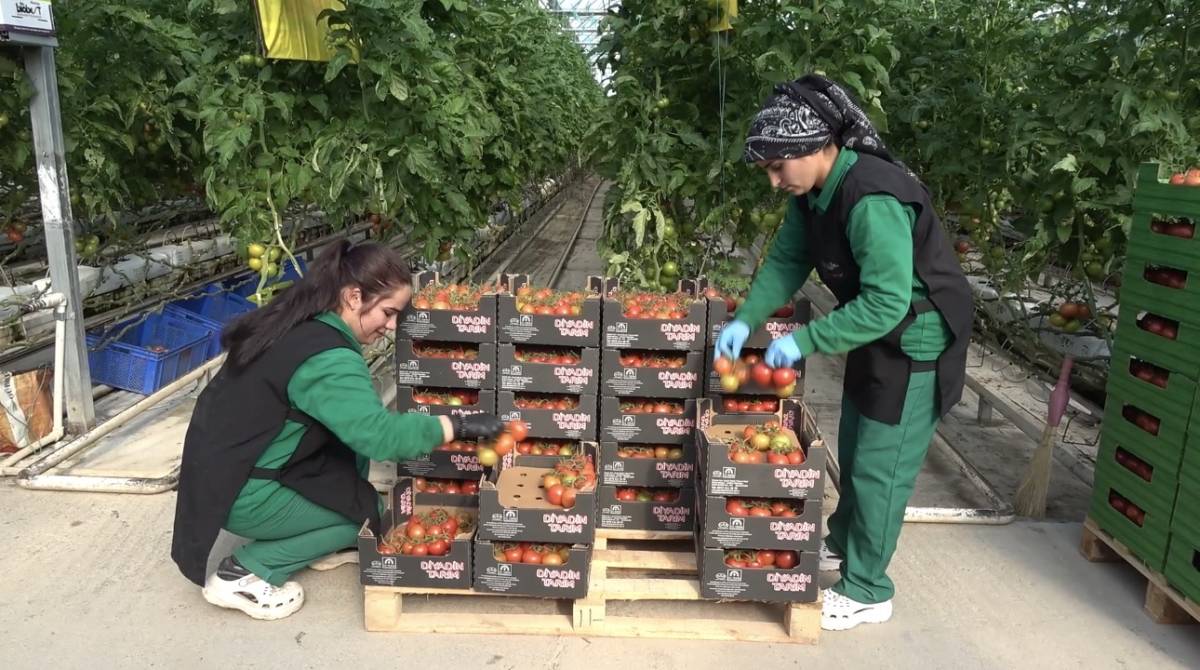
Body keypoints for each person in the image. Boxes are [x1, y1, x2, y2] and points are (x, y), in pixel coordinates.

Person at [714, 75, 972, 632]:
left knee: (883, 467)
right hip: (879, 333)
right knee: (855, 451)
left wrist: (803, 341)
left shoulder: (872, 198)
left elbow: (886, 302)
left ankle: (868, 590)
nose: (774, 178)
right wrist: (745, 320)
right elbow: (786, 262)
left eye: (778, 165)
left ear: (814, 148)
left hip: (914, 341)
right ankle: (842, 545)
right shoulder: (812, 196)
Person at [171, 240, 504, 621]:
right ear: (353, 296)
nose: (392, 326)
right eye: (388, 312)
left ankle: (314, 532)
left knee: (353, 470)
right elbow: (379, 437)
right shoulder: (328, 360)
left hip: (225, 472)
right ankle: (244, 572)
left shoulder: (300, 324)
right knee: (366, 515)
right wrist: (456, 424)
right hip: (243, 491)